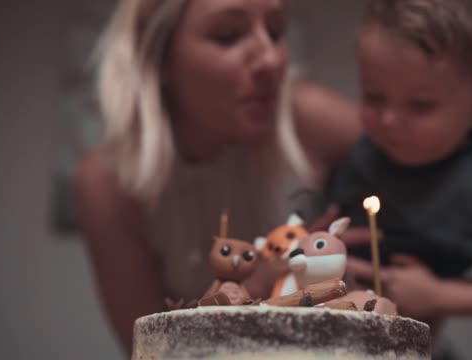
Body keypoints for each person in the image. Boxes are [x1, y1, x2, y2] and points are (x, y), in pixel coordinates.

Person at [74, 0, 362, 353]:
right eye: (228, 36)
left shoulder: (308, 117)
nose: (271, 59)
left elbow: (433, 163)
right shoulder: (107, 185)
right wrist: (258, 283)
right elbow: (152, 350)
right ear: (159, 55)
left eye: (275, 31)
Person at [318, 0, 472, 349]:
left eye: (420, 105)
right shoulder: (376, 144)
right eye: (374, 97)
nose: (388, 121)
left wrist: (439, 295)